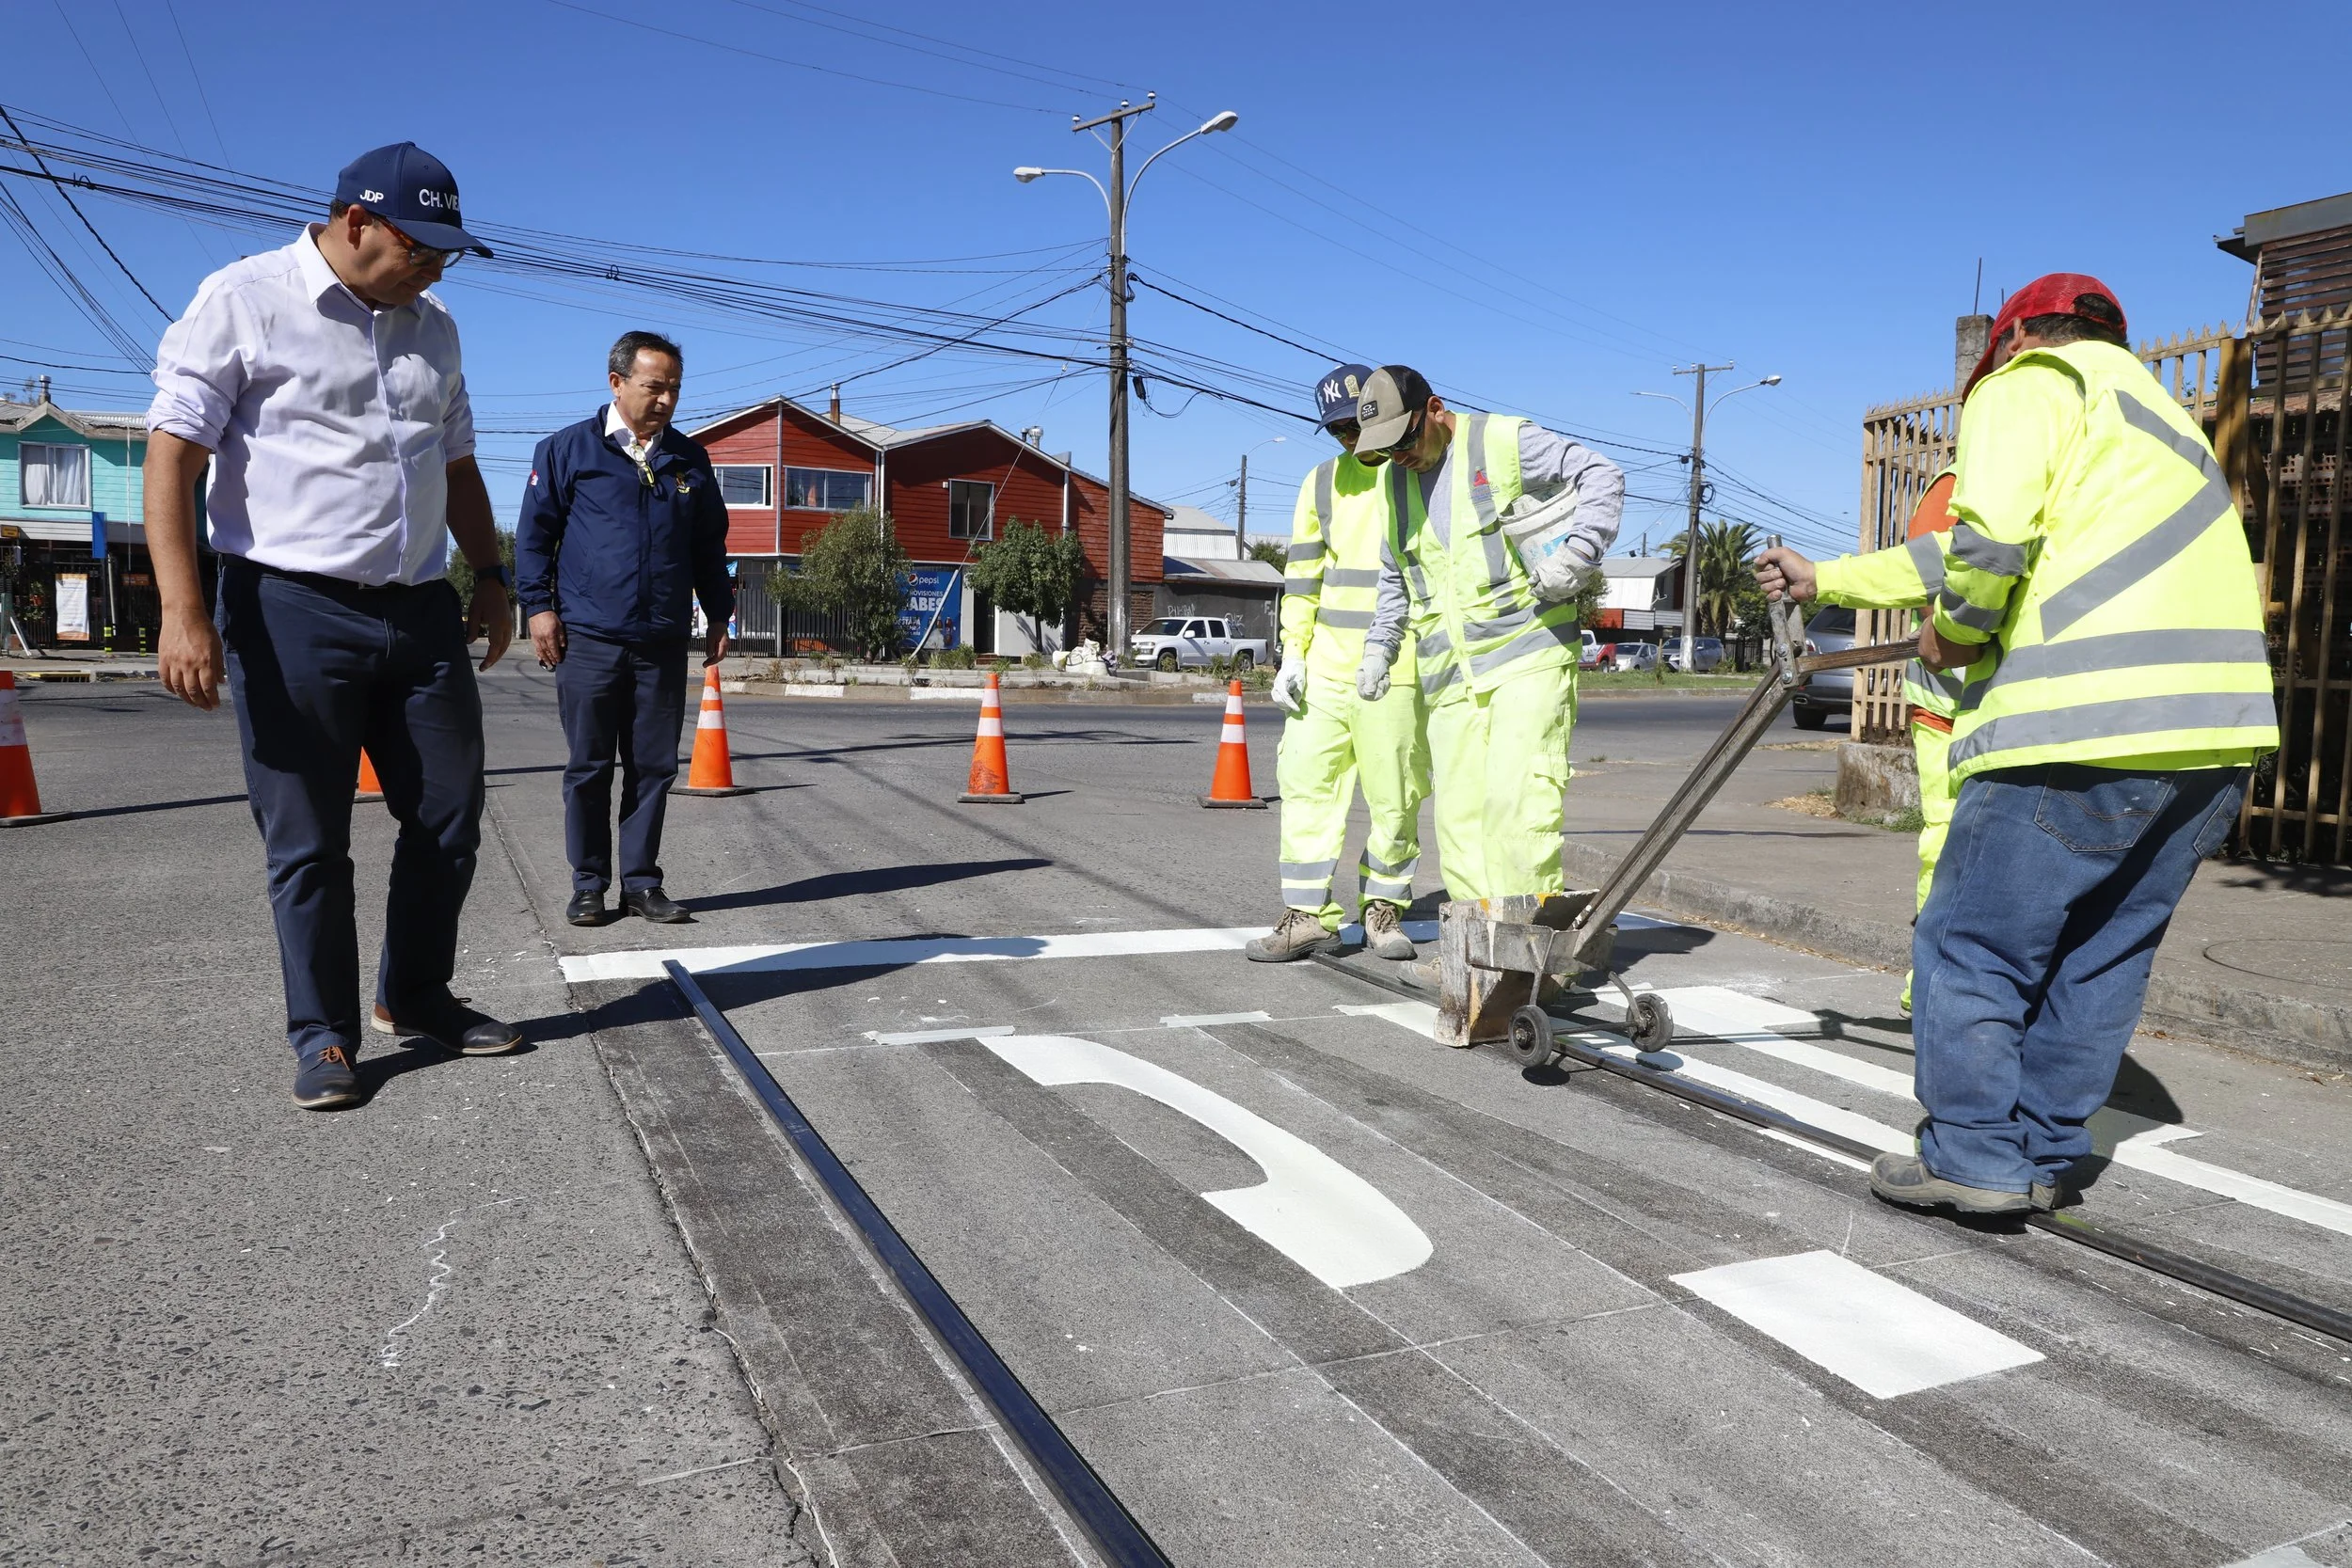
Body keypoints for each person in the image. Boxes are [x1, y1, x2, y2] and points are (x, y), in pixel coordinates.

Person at [1862, 274, 2274, 1216]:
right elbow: (1972, 542)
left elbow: (1988, 542)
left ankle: (1969, 1155)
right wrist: (1830, 577)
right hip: (2213, 742)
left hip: (2078, 726)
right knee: (2099, 953)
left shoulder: (2029, 383)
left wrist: (1958, 631)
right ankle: (2045, 1152)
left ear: (2010, 343)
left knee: (1970, 945)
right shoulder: (2159, 423)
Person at [145, 143, 519, 1112]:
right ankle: (324, 1034)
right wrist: (183, 611)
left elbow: (462, 464)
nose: (436, 266)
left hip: (421, 607)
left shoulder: (434, 327)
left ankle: (418, 991)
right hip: (289, 608)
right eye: (419, 245)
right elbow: (173, 458)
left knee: (447, 815)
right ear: (356, 221)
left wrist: (491, 575)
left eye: (447, 250)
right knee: (308, 839)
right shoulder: (245, 299)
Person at [1357, 366, 1623, 983]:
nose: (1401, 456)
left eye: (1406, 439)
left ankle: (1530, 967)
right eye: (1388, 450)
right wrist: (1379, 648)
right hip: (1451, 680)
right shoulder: (1394, 487)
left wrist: (1578, 554)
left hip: (1527, 655)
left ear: (1436, 409)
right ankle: (1475, 959)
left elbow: (1602, 475)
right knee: (1461, 826)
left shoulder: (1500, 442)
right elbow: (1397, 581)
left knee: (1515, 811)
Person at [516, 332, 734, 927]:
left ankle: (641, 882)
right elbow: (534, 538)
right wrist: (538, 608)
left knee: (654, 766)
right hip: (588, 637)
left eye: (674, 389)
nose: (665, 399)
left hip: (661, 639)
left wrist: (718, 613)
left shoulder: (690, 459)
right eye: (653, 386)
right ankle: (589, 882)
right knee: (589, 766)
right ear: (617, 383)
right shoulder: (567, 451)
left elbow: (708, 544)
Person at [1753, 465, 1982, 1012]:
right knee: (1954, 848)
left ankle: (1953, 989)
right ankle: (1936, 986)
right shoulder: (1960, 483)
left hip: (2006, 704)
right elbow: (1939, 566)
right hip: (1955, 701)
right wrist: (1824, 578)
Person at [1248, 365, 1431, 963]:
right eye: (1338, 431)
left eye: (1357, 425)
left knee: (1395, 792)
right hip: (1324, 668)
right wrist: (1291, 654)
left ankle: (1383, 908)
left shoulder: (1416, 472)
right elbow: (1302, 578)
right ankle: (1307, 916)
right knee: (1306, 785)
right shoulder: (1322, 483)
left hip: (1397, 665)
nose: (1351, 440)